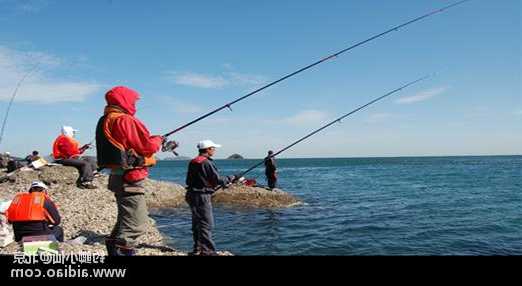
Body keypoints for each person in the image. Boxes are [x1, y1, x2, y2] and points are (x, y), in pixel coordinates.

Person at [96, 86, 169, 256]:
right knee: (136, 224)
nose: (135, 103)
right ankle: (124, 251)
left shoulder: (106, 119)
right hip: (130, 179)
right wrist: (158, 139)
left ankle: (113, 249)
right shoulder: (125, 120)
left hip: (116, 176)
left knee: (125, 220)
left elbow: (128, 143)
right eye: (134, 100)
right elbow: (146, 146)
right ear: (124, 100)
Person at [185, 140, 238, 256]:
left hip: (191, 194)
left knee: (197, 223)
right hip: (201, 196)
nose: (214, 150)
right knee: (206, 223)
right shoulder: (206, 162)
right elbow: (217, 180)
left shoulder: (194, 161)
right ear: (208, 149)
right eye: (213, 148)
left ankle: (197, 248)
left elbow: (189, 180)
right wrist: (231, 178)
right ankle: (208, 252)